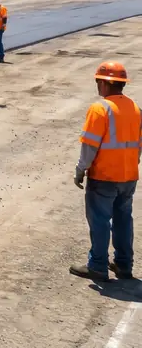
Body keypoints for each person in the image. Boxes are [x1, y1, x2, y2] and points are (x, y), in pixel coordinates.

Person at [71, 61, 141, 282]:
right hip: (129, 176)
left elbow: (90, 145)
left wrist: (80, 170)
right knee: (123, 219)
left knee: (100, 220)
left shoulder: (100, 109)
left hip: (104, 176)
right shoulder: (135, 108)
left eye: (98, 82)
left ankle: (98, 266)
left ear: (104, 83)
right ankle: (123, 266)